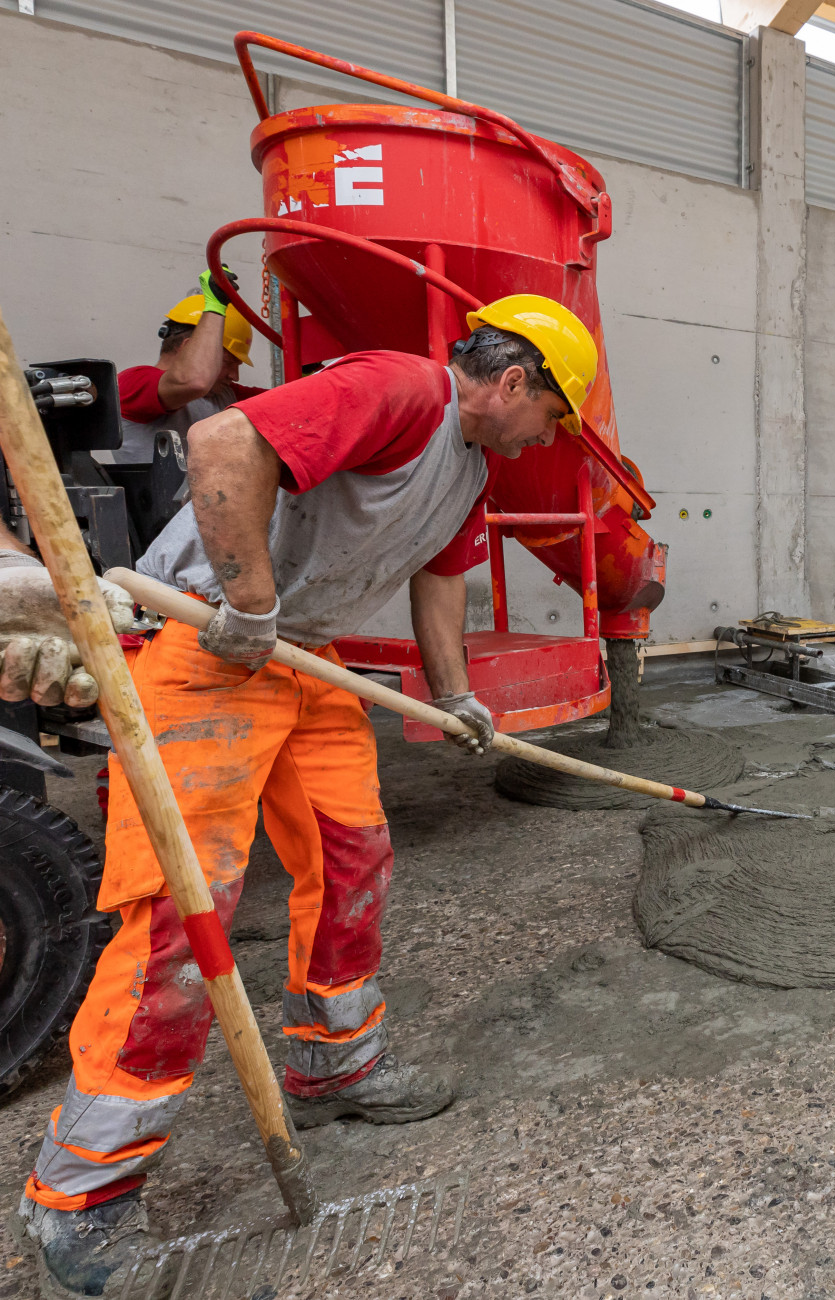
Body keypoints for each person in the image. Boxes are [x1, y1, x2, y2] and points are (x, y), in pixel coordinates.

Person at [18, 293, 601, 1297]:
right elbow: (223, 445)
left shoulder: (468, 471)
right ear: (516, 383)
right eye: (553, 416)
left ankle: (333, 1065)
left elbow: (440, 581)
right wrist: (247, 601)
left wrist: (456, 694)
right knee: (180, 915)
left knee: (351, 856)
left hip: (306, 659)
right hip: (203, 643)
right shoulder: (401, 390)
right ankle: (78, 1194)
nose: (548, 436)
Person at [111, 268, 264, 467]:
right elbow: (195, 381)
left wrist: (306, 369)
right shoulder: (133, 382)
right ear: (188, 347)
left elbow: (285, 403)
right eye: (227, 362)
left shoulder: (222, 395)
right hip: (157, 498)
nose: (235, 376)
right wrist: (215, 307)